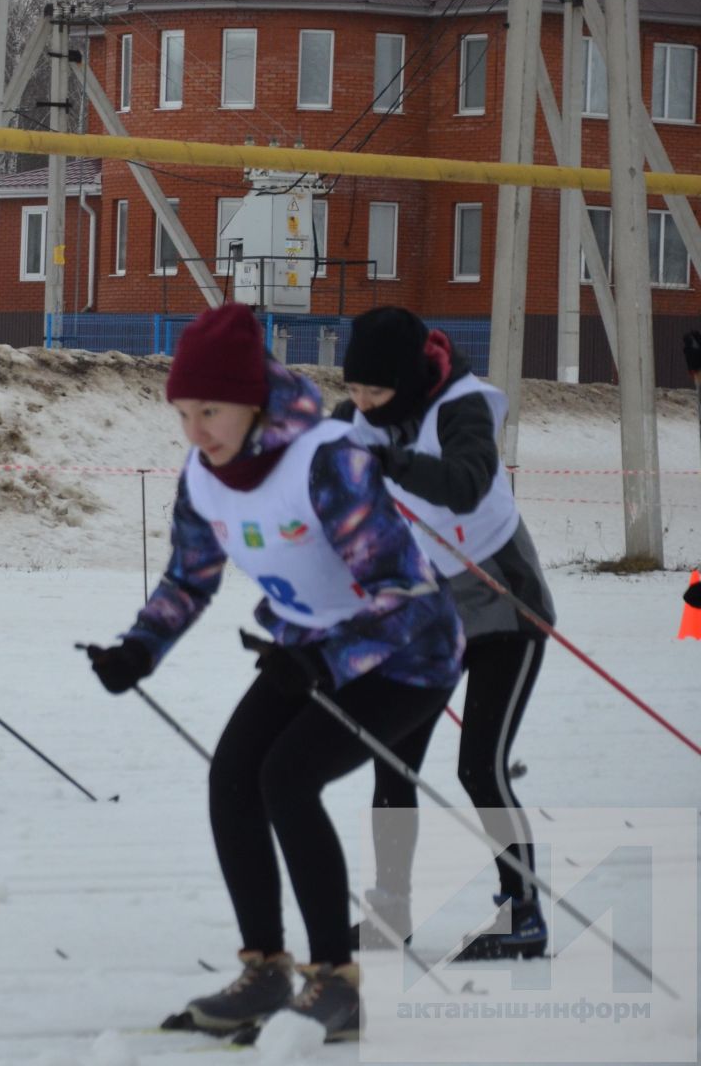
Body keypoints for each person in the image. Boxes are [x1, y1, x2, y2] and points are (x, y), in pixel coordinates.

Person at [83, 302, 462, 1043]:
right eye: (183, 413)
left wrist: (322, 657)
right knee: (232, 776)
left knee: (287, 778)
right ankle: (266, 970)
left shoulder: (327, 461)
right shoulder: (205, 474)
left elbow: (404, 596)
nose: (196, 432)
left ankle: (337, 984)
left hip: (409, 659)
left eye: (211, 411)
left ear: (254, 404)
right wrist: (138, 649)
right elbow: (189, 581)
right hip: (309, 650)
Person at [335, 306, 556, 961]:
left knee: (480, 766)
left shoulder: (464, 406)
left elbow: (464, 485)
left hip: (504, 608)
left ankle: (523, 913)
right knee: (392, 752)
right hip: (429, 615)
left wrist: (389, 460)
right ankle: (392, 911)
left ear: (406, 381)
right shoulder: (359, 412)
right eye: (352, 391)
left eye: (375, 393)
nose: (361, 405)